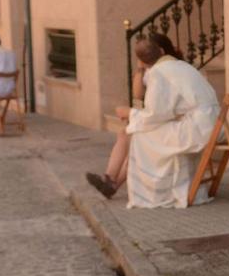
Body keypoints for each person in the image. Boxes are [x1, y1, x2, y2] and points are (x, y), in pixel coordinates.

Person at [84, 33, 219, 209]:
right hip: (208, 124)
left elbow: (155, 113)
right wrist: (141, 69)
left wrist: (130, 113)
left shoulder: (160, 72)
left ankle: (112, 181)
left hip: (196, 129)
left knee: (135, 134)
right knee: (132, 132)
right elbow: (143, 97)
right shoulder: (176, 66)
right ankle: (110, 183)